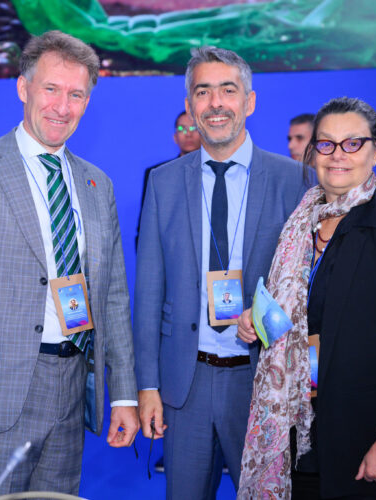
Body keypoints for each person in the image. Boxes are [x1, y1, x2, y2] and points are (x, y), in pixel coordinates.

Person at [0, 30, 139, 499]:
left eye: (76, 95)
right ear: (23, 88)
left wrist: (124, 393)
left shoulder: (97, 184)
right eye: (51, 89)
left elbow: (112, 296)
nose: (62, 107)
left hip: (71, 391)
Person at [237, 97, 376, 499]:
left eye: (353, 143)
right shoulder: (297, 229)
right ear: (313, 153)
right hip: (299, 438)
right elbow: (303, 316)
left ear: (375, 151)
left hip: (369, 443)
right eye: (326, 144)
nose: (338, 155)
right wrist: (256, 320)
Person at [134, 46, 308, 499]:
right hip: (185, 386)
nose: (215, 103)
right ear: (190, 104)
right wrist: (147, 385)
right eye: (203, 92)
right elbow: (148, 292)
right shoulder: (163, 182)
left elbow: (308, 285)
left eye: (228, 90)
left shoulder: (294, 180)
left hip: (260, 381)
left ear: (249, 101)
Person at [136, 110, 201, 249]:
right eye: (182, 129)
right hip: (170, 254)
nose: (188, 133)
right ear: (175, 137)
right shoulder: (157, 174)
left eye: (194, 128)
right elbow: (145, 227)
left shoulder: (217, 171)